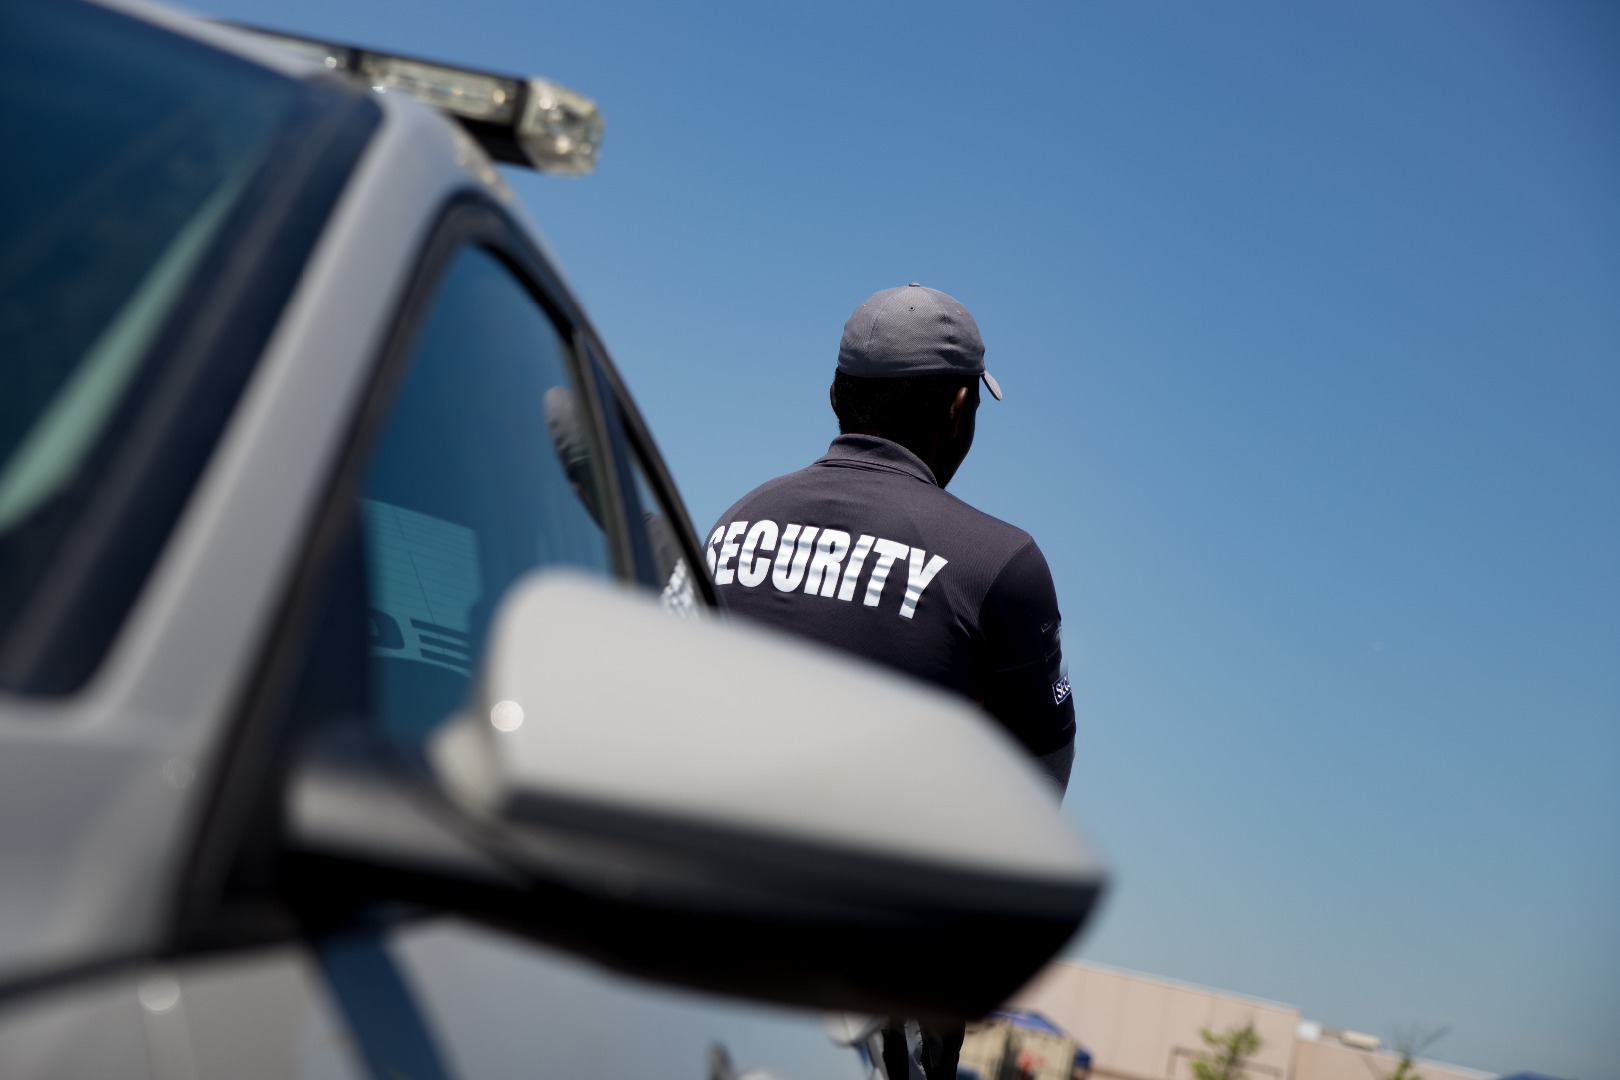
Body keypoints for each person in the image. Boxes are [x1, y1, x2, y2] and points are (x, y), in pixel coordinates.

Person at [705, 283, 1076, 1080]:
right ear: (960, 406)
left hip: (696, 963)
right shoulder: (999, 565)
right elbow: (1036, 790)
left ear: (836, 392)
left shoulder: (734, 525)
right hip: (870, 1011)